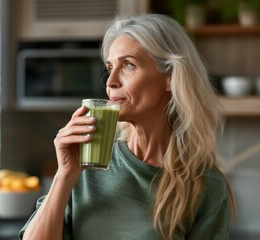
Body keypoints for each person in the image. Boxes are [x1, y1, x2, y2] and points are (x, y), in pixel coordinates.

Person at [19, 13, 236, 240]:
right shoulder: (84, 167)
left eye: (128, 65)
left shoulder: (205, 188)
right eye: (110, 67)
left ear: (169, 78)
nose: (110, 81)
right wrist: (64, 175)